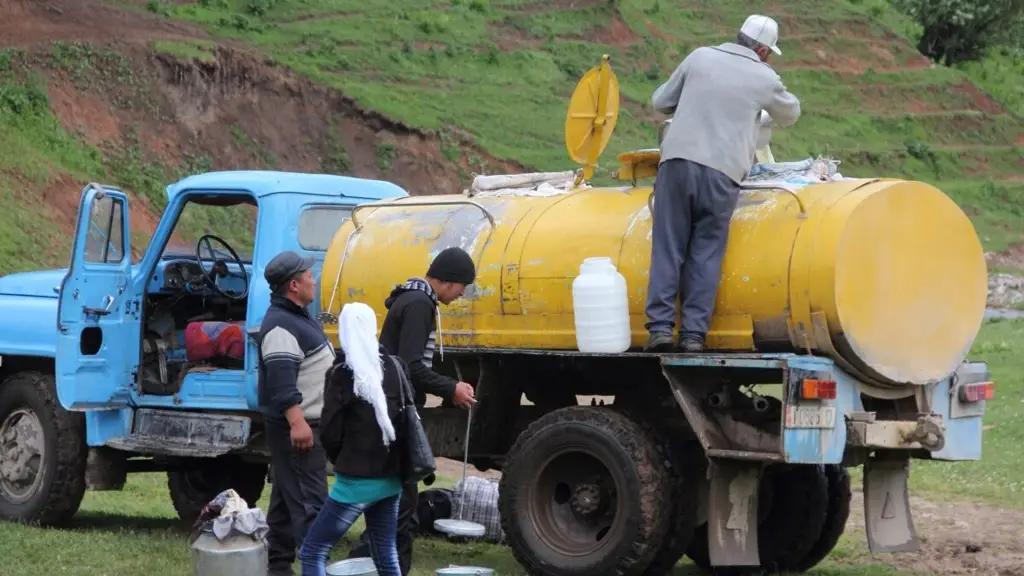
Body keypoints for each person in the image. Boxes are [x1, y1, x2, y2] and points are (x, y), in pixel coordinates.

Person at [645, 14, 801, 353]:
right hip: (722, 174)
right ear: (762, 49)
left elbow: (661, 102)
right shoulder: (765, 76)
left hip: (677, 164)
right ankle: (692, 336)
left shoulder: (699, 56)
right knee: (706, 253)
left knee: (668, 247)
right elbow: (790, 114)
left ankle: (659, 330)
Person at [349, 246, 477, 575]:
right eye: (463, 285)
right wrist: (452, 388)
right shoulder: (420, 304)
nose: (463, 294)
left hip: (391, 408)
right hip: (396, 411)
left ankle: (371, 556)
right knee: (402, 498)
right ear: (449, 280)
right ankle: (387, 564)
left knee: (392, 492)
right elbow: (409, 367)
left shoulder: (413, 298)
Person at [299, 303, 406, 576]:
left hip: (356, 480)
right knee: (385, 552)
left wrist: (341, 460)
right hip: (391, 477)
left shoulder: (342, 374)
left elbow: (330, 430)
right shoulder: (394, 366)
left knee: (313, 551)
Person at [259, 251, 336, 576]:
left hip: (303, 424)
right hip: (299, 427)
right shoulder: (280, 325)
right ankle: (315, 568)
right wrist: (297, 421)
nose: (313, 280)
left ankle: (277, 567)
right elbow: (280, 380)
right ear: (294, 285)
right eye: (308, 275)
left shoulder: (297, 317)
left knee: (284, 500)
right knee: (310, 504)